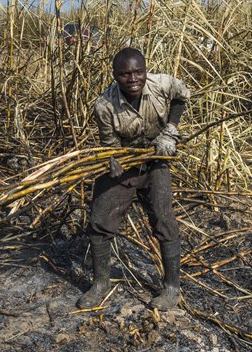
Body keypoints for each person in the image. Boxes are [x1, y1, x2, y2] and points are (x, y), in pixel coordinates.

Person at [77, 47, 190, 310]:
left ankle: (172, 288)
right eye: (125, 74)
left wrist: (170, 131)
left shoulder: (161, 84)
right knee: (99, 221)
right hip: (126, 163)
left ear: (145, 70)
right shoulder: (105, 105)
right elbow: (110, 145)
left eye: (138, 71)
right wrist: (112, 159)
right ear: (115, 76)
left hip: (155, 161)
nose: (133, 78)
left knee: (165, 222)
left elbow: (182, 96)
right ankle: (100, 284)